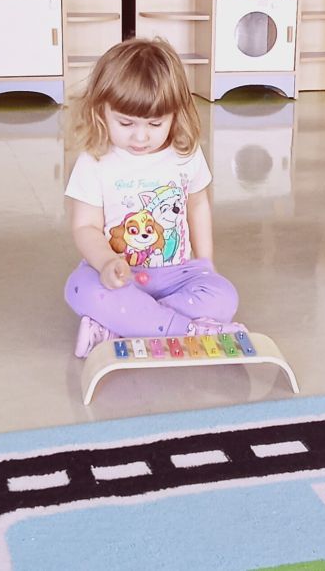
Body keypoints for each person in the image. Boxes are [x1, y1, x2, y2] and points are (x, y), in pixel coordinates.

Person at [64, 38, 243, 358]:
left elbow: (198, 205)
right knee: (79, 288)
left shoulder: (185, 153)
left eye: (155, 123)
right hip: (119, 277)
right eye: (126, 123)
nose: (141, 136)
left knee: (224, 296)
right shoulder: (95, 160)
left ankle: (122, 325)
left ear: (175, 114)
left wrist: (206, 263)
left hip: (179, 275)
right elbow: (85, 227)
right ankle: (186, 330)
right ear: (101, 109)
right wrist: (106, 263)